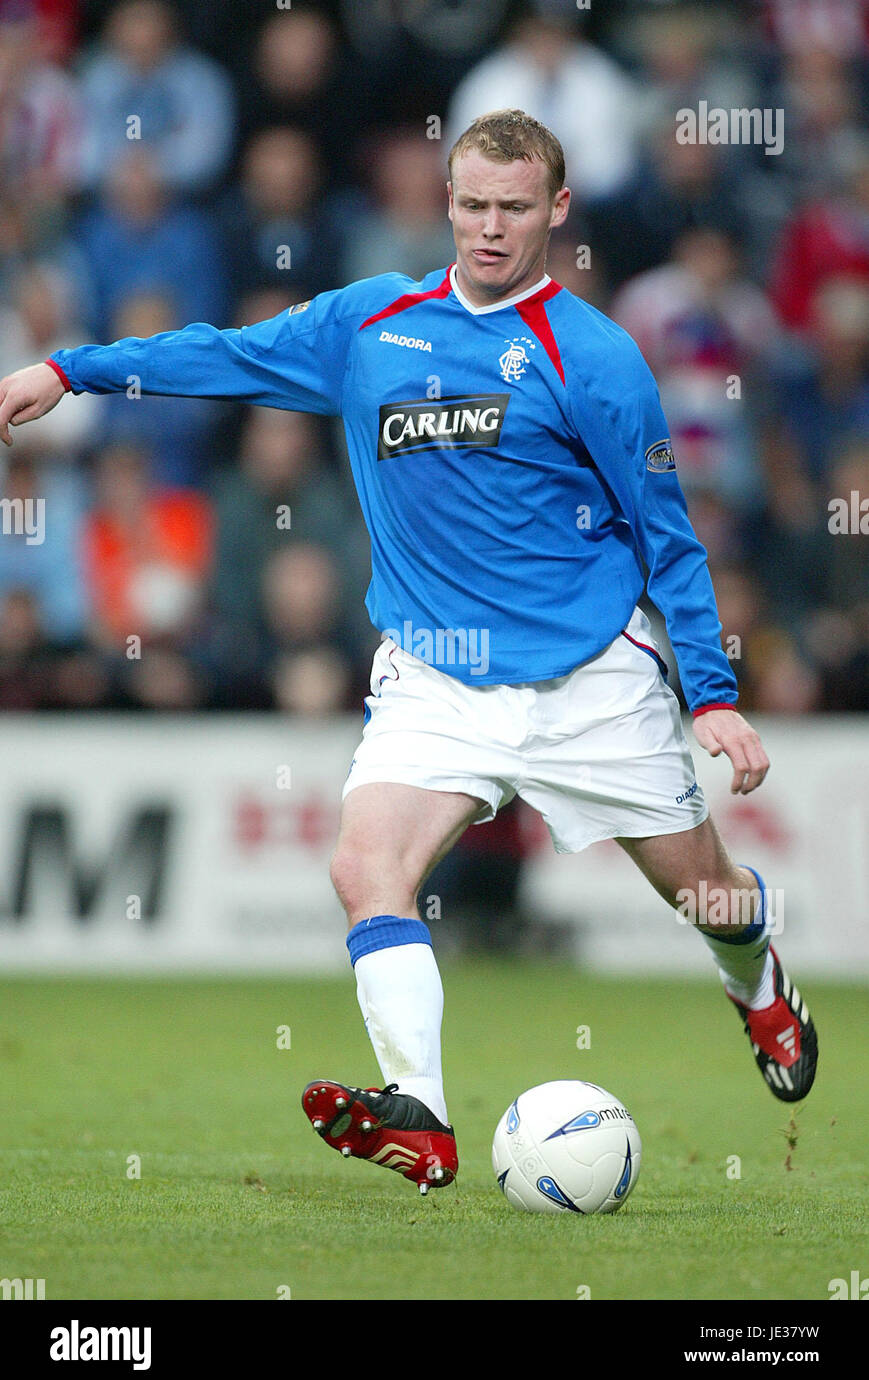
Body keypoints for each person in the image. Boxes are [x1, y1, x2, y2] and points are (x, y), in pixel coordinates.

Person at [0, 110, 817, 1200]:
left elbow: (665, 534)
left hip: (589, 676)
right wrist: (74, 368)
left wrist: (709, 695)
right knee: (362, 866)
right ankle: (421, 1115)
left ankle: (755, 984)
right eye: (472, 203)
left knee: (706, 894)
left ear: (555, 211)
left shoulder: (596, 358)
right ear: (445, 199)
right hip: (432, 674)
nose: (489, 227)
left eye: (513, 208)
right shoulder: (370, 322)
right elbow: (224, 355)